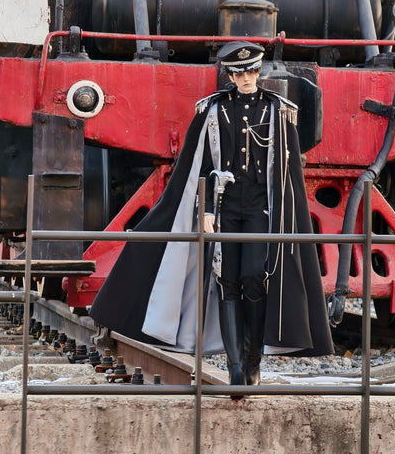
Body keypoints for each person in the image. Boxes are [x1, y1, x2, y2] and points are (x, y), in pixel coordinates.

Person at [90, 41, 333, 385]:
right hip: (224, 208)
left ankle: (252, 360)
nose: (246, 78)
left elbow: (288, 175)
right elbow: (199, 167)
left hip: (260, 209)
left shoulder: (278, 112)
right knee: (226, 281)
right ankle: (236, 368)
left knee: (254, 278)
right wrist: (205, 209)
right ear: (230, 76)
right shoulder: (212, 112)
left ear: (259, 71)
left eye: (252, 71)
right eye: (239, 73)